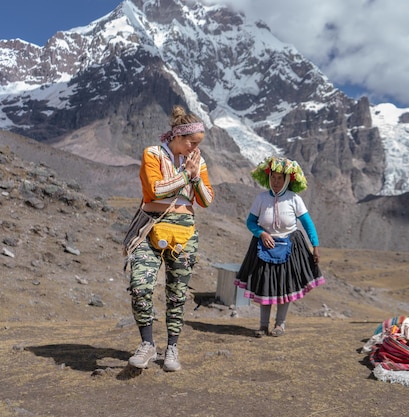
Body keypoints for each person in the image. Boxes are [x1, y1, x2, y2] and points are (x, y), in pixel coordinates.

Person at [124, 105, 214, 371]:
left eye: (198, 144)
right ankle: (147, 344)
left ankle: (171, 348)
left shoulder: (198, 162)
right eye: (191, 142)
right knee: (140, 286)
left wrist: (196, 178)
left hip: (184, 233)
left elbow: (207, 200)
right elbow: (155, 191)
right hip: (149, 228)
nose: (194, 148)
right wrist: (186, 174)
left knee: (177, 293)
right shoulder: (152, 154)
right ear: (176, 136)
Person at [234, 156, 325, 337]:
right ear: (268, 178)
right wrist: (262, 233)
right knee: (265, 285)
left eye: (280, 178)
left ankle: (280, 325)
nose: (276, 182)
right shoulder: (261, 199)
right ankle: (262, 326)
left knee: (285, 286)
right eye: (273, 178)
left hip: (290, 246)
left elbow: (307, 224)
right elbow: (251, 222)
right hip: (264, 247)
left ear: (287, 180)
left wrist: (315, 245)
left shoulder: (294, 199)